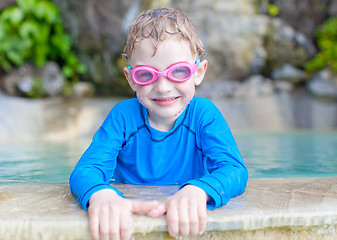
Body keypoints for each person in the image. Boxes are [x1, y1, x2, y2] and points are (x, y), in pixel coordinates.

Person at [70, 7, 248, 240]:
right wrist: (101, 194)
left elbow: (234, 170)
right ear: (130, 78)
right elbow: (85, 170)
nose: (163, 87)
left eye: (179, 72)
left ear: (198, 72)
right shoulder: (123, 117)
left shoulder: (203, 115)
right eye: (146, 75)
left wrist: (198, 190)